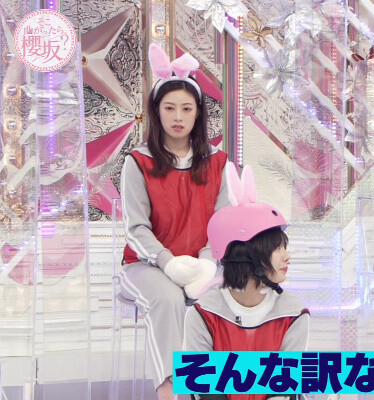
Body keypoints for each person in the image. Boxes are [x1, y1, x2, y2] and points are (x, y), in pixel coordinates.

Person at [119, 44, 233, 400]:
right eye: (169, 108)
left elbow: (224, 223)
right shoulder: (138, 161)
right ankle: (169, 389)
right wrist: (168, 262)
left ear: (198, 113)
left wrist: (206, 263)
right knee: (169, 299)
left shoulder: (218, 162)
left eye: (187, 108)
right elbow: (136, 229)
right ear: (157, 111)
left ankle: (219, 388)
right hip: (145, 266)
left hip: (203, 264)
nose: (178, 116)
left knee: (229, 297)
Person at [184, 165, 310, 400]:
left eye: (286, 247)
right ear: (245, 254)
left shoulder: (293, 314)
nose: (287, 256)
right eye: (277, 248)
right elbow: (203, 390)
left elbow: (284, 390)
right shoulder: (204, 314)